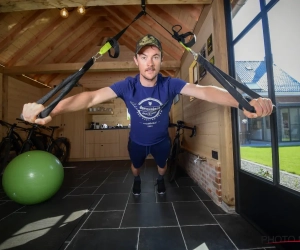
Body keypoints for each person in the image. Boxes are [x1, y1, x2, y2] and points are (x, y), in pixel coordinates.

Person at [22, 34, 273, 196]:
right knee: (135, 167)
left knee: (162, 167)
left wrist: (243, 102)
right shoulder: (126, 86)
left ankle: (161, 182)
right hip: (137, 142)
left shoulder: (170, 84)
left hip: (162, 140)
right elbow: (89, 97)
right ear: (136, 60)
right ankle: (137, 181)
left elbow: (205, 91)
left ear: (161, 60)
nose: (150, 63)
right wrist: (50, 109)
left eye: (155, 57)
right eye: (144, 57)